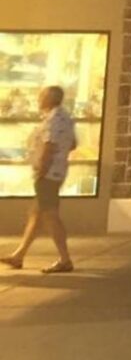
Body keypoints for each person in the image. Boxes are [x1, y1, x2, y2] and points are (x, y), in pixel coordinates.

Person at [1, 86, 76, 273]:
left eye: (41, 96)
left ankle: (65, 259)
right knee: (36, 214)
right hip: (56, 172)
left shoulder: (53, 120)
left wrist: (42, 170)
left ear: (50, 99)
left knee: (50, 215)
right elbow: (73, 143)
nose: (38, 99)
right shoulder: (65, 118)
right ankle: (19, 255)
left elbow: (48, 147)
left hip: (48, 174)